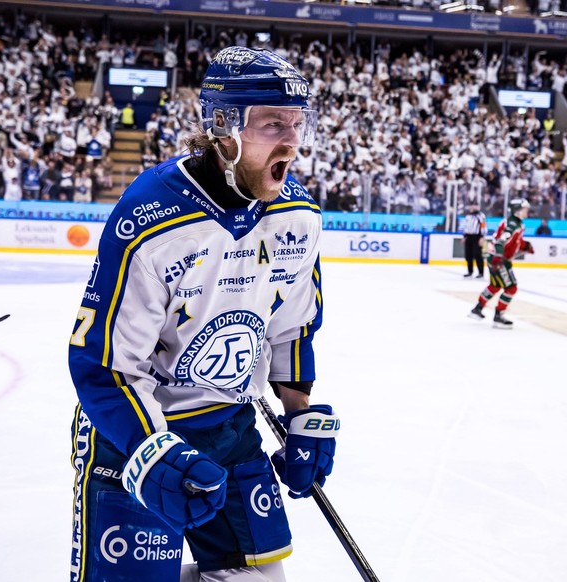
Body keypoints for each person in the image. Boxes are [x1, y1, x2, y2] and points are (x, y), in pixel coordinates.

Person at [67, 47, 338, 582]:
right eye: (271, 124)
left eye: (297, 124)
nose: (290, 141)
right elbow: (106, 364)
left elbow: (292, 326)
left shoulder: (298, 216)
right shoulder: (151, 216)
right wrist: (150, 449)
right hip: (134, 438)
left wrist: (300, 411)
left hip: (231, 428)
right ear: (222, 126)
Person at [468, 198, 534, 328]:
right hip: (499, 260)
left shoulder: (516, 223)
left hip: (494, 257)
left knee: (495, 285)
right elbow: (501, 242)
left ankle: (478, 308)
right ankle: (499, 316)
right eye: (525, 209)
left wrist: (525, 245)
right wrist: (499, 257)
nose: (527, 212)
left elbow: (513, 241)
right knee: (511, 287)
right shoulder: (513, 225)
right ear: (517, 211)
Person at [461, 201, 486, 278]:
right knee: (468, 255)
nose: (473, 207)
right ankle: (470, 271)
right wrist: (464, 236)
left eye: (475, 205)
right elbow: (466, 226)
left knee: (477, 254)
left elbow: (483, 226)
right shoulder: (468, 216)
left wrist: (482, 237)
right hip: (469, 236)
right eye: (471, 205)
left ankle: (481, 272)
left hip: (477, 237)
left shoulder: (481, 216)